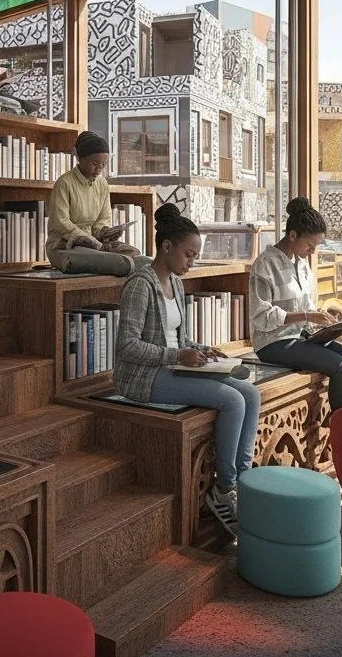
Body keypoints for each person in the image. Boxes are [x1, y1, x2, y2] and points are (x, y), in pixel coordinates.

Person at [115, 203, 261, 536]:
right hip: (143, 377)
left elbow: (178, 337)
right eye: (189, 255)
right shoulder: (140, 285)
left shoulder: (177, 284)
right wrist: (177, 355)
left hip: (172, 365)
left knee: (250, 393)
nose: (192, 262)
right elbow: (127, 346)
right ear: (166, 247)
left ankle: (242, 478)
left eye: (195, 256)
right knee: (233, 401)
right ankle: (224, 489)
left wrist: (197, 348)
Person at [250, 198, 342, 415]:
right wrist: (306, 315)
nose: (313, 251)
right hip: (273, 343)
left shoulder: (302, 264)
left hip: (302, 338)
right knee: (341, 367)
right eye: (310, 245)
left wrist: (327, 313)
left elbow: (308, 307)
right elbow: (261, 316)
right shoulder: (265, 264)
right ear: (292, 235)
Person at [46, 131, 151, 276]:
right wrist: (88, 240)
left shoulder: (102, 184)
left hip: (96, 245)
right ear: (80, 158)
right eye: (95, 163)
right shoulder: (64, 183)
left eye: (103, 164)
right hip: (65, 246)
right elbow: (61, 222)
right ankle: (117, 263)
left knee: (133, 253)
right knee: (115, 261)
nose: (99, 169)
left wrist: (106, 233)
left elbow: (102, 221)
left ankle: (119, 262)